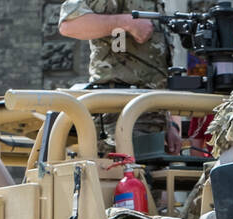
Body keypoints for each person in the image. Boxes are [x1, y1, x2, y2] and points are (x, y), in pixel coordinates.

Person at [58, 0, 179, 153]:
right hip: (119, 115)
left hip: (154, 116)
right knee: (124, 175)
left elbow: (159, 70)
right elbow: (70, 24)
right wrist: (127, 22)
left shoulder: (158, 4)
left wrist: (171, 125)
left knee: (151, 176)